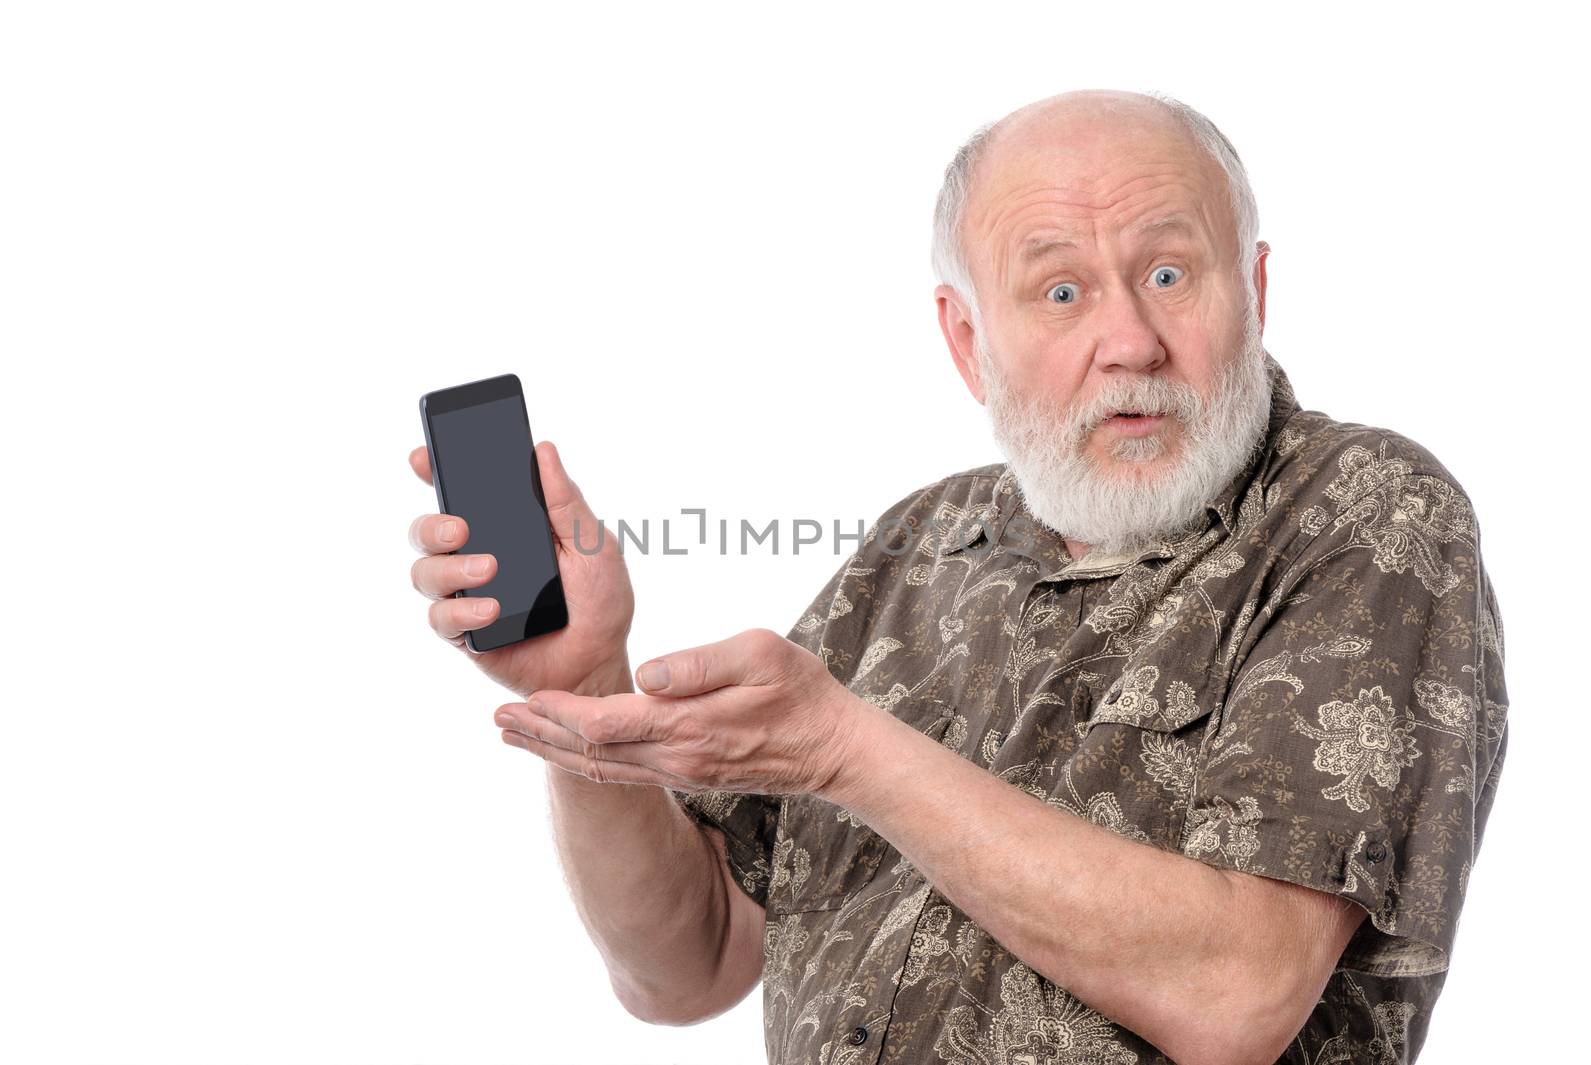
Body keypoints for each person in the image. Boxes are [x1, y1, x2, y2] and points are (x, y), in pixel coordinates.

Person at [405, 89, 1507, 1065]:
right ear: (967, 341)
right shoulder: (917, 545)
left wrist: (849, 752)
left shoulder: (1361, 509)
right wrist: (595, 682)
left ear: (1254, 288)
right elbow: (685, 968)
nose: (1128, 338)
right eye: (1061, 292)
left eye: (1169, 274)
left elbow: (1237, 995)